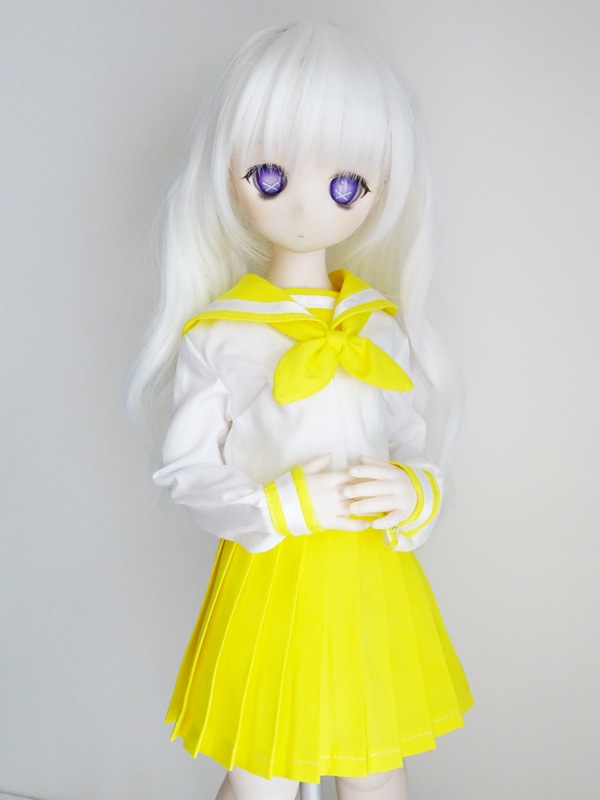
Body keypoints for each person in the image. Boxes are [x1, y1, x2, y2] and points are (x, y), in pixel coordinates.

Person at [129, 21, 473, 800]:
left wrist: (414, 491)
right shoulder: (223, 334)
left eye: (345, 184)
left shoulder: (377, 325)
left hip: (370, 581)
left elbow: (410, 438)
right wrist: (282, 506)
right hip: (272, 581)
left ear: (380, 188)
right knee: (263, 778)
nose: (307, 207)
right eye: (271, 175)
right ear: (228, 174)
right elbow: (189, 472)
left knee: (375, 770)